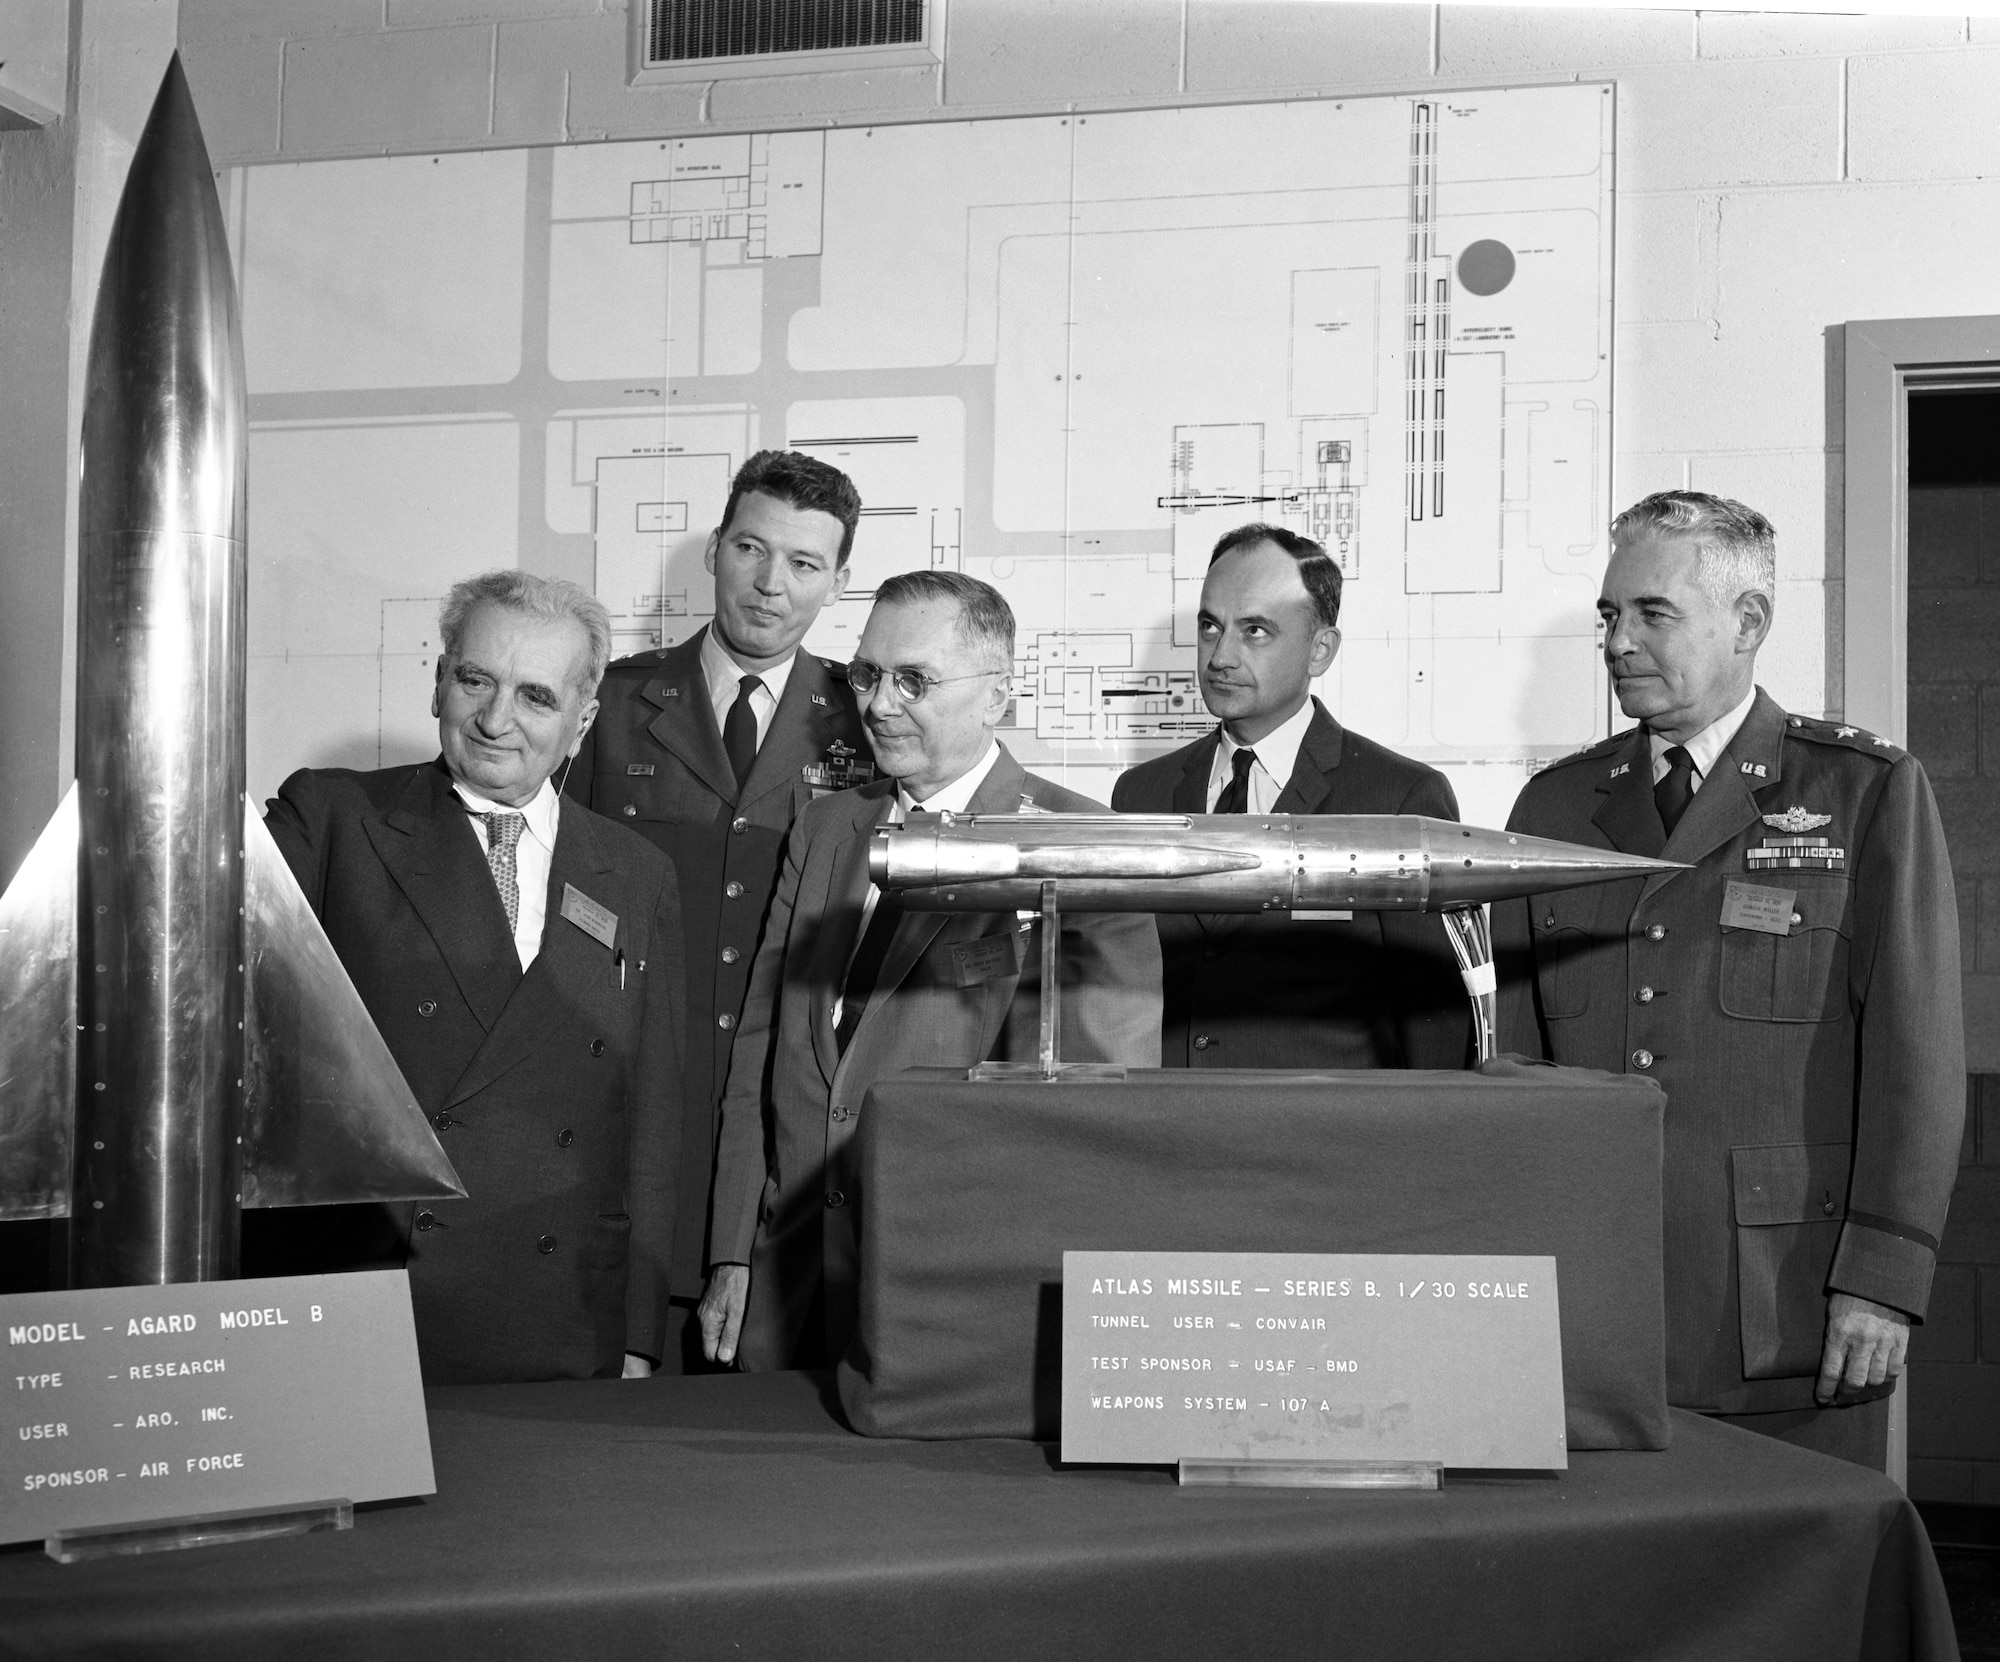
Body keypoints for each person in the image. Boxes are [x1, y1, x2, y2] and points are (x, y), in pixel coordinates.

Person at [1494, 490, 1965, 1468]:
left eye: (1649, 614)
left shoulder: (1858, 793)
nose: (1617, 641)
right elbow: (1509, 1060)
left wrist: (1881, 1276)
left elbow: (1914, 1056)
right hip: (1590, 1309)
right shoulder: (1554, 803)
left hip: (1784, 1315)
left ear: (1745, 621)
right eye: (1607, 615)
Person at [696, 571, 1162, 1371]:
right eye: (867, 675)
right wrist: (732, 1248)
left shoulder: (1085, 843)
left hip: (954, 1299)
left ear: (997, 698)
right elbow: (764, 1044)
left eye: (913, 680)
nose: (877, 704)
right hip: (789, 1290)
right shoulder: (826, 828)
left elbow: (1095, 1113)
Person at [252, 572, 687, 1386]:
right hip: (370, 1302)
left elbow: (654, 1114)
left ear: (582, 722)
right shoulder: (332, 821)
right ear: (440, 682)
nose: (496, 721)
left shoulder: (636, 874)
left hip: (563, 1308)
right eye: (475, 680)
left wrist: (640, 1327)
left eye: (535, 696)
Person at [565, 450, 872, 1369]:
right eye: (750, 548)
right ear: (715, 550)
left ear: (837, 581)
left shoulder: (867, 721)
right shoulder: (610, 701)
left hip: (779, 1119)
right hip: (631, 1095)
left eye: (805, 565)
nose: (770, 585)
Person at [1112, 523, 1468, 1069]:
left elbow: (1433, 1025)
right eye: (1211, 626)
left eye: (1255, 631)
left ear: (1320, 649)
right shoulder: (1142, 793)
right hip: (1164, 1130)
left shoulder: (1399, 797)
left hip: (1322, 1141)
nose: (1220, 656)